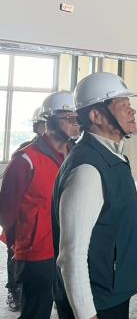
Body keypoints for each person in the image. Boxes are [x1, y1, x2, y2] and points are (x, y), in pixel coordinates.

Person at [52, 72, 137, 319]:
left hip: (110, 290)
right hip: (97, 301)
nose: (132, 111)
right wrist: (86, 314)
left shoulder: (111, 156)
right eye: (123, 105)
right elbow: (71, 255)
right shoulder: (88, 170)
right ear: (96, 116)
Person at [0, 91, 80, 319]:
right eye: (69, 118)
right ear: (50, 121)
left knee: (71, 308)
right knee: (36, 311)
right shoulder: (25, 160)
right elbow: (6, 213)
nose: (75, 124)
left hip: (70, 248)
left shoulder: (76, 155)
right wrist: (22, 244)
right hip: (37, 254)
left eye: (77, 118)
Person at [3, 106, 47, 312]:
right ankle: (13, 289)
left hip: (47, 221)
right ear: (37, 127)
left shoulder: (64, 151)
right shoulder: (25, 153)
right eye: (43, 125)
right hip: (24, 221)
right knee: (14, 255)